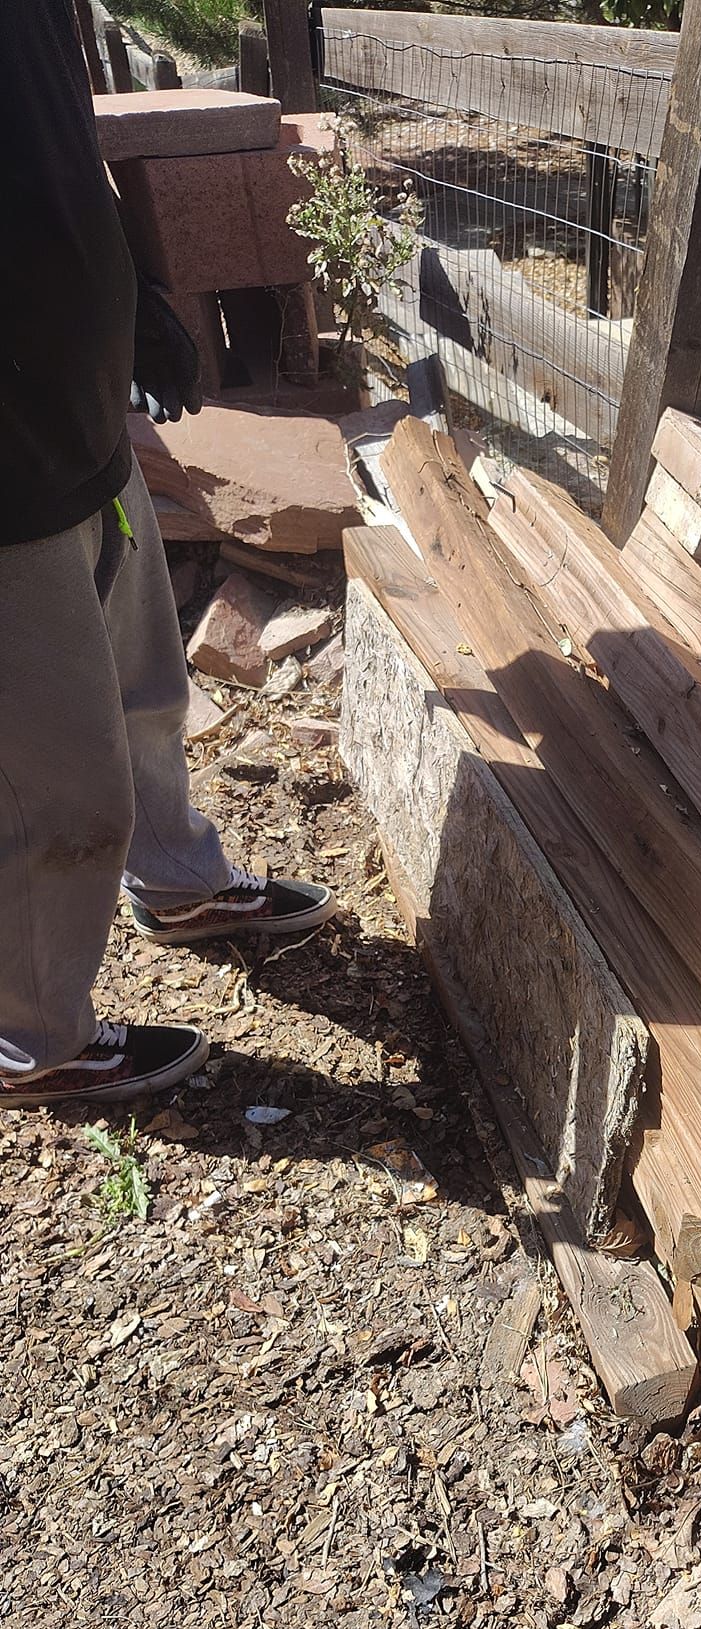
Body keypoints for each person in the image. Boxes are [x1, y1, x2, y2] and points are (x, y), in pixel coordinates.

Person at [1, 0, 335, 1108]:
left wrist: (132, 287)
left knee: (147, 686)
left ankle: (180, 881)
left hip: (80, 409)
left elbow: (55, 128)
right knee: (53, 779)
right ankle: (34, 1038)